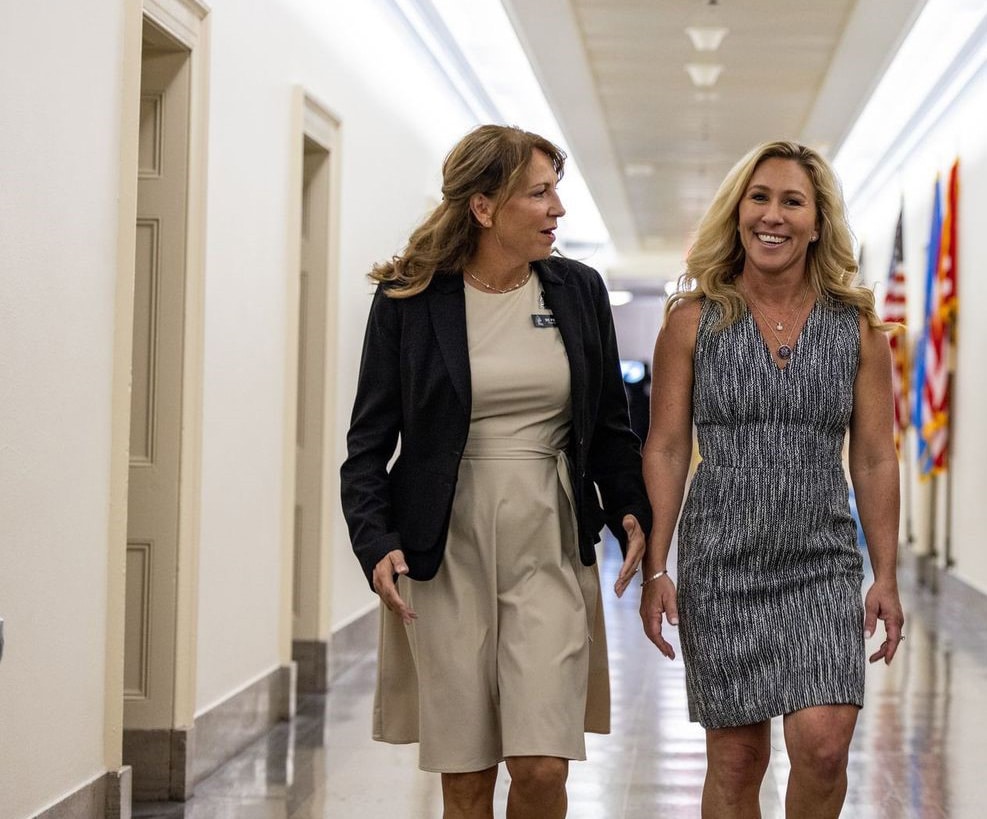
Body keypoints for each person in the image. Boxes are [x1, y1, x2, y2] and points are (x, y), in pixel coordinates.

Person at [340, 124, 652, 818]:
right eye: (538, 193)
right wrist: (373, 537)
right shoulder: (409, 298)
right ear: (483, 207)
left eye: (555, 192)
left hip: (547, 537)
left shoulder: (576, 291)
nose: (556, 209)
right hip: (444, 549)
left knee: (541, 764)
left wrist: (630, 505)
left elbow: (607, 425)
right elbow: (367, 443)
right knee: (467, 775)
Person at [638, 140, 905, 818]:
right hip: (721, 557)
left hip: (820, 557)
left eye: (792, 201)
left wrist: (886, 574)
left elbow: (873, 456)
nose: (772, 215)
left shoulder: (857, 331)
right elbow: (667, 446)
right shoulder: (691, 322)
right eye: (758, 198)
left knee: (822, 746)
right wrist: (657, 566)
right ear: (736, 213)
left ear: (818, 222)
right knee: (735, 757)